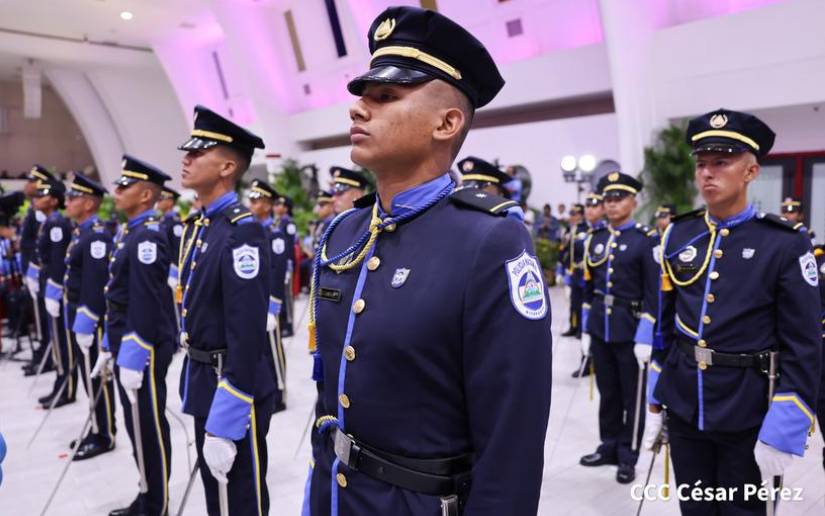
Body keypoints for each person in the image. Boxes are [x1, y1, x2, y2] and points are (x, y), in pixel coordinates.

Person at [302, 7, 552, 515]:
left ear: (446, 122)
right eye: (363, 95)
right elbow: (331, 393)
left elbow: (512, 438)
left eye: (386, 96)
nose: (358, 109)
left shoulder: (490, 240)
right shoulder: (345, 231)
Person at [642, 108, 821, 515]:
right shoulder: (679, 233)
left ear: (751, 171)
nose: (707, 173)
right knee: (696, 508)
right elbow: (667, 323)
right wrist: (656, 390)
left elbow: (804, 343)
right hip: (685, 401)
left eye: (721, 162)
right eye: (701, 163)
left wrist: (787, 422)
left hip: (749, 408)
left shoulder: (783, 242)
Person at [176, 105, 275, 516]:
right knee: (218, 499)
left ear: (227, 166)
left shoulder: (241, 231)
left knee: (240, 500)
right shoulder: (204, 225)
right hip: (205, 379)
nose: (186, 158)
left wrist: (231, 407)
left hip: (231, 384)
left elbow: (246, 330)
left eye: (198, 152)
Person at [99, 155, 176, 516]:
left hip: (141, 345)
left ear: (146, 195)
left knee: (147, 425)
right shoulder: (131, 231)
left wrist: (136, 349)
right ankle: (146, 493)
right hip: (126, 340)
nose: (117, 191)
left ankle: (155, 504)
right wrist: (108, 343)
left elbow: (146, 300)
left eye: (125, 185)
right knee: (136, 424)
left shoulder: (147, 236)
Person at [579, 171, 659, 484]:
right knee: (608, 392)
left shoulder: (645, 239)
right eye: (608, 199)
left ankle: (628, 454)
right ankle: (609, 445)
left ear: (633, 202)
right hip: (602, 326)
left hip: (630, 328)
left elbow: (654, 293)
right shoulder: (596, 239)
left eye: (619, 198)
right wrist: (586, 328)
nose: (612, 204)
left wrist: (646, 335)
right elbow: (589, 288)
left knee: (632, 396)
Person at [63, 173, 117, 460]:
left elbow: (96, 286)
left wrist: (87, 320)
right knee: (88, 377)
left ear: (88, 203)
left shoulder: (95, 235)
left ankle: (104, 434)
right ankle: (97, 426)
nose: (67, 202)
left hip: (92, 321)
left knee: (97, 380)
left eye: (73, 197)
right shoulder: (82, 231)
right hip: (81, 318)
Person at [31, 174, 76, 409]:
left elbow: (58, 260)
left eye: (43, 194)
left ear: (54, 200)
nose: (38, 198)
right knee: (57, 341)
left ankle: (66, 388)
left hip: (57, 290)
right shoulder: (50, 221)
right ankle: (60, 384)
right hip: (49, 287)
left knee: (62, 342)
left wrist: (56, 288)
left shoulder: (57, 223)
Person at [247, 178, 288, 413]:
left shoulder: (275, 234)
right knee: (260, 348)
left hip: (269, 300)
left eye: (257, 199)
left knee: (273, 348)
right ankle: (268, 390)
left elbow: (277, 270)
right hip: (255, 299)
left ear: (268, 204)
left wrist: (273, 306)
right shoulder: (252, 230)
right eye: (251, 199)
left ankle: (280, 392)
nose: (252, 204)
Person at [21, 165, 53, 376]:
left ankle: (46, 358)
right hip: (33, 271)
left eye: (32, 181)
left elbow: (38, 245)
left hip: (40, 273)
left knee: (43, 320)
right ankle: (42, 354)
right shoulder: (34, 209)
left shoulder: (42, 214)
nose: (27, 185)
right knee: (39, 319)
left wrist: (33, 270)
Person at [558, 203, 588, 339]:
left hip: (582, 272)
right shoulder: (569, 229)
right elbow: (563, 250)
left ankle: (581, 329)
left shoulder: (586, 229)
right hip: (572, 271)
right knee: (573, 302)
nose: (571, 216)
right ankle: (573, 326)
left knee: (582, 302)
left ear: (580, 215)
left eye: (573, 214)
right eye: (570, 214)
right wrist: (561, 269)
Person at [157, 186, 183, 297]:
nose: (158, 202)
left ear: (170, 202)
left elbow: (178, 248)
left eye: (161, 199)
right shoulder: (162, 221)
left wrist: (176, 271)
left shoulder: (174, 222)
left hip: (172, 272)